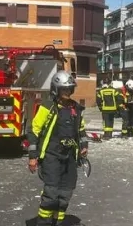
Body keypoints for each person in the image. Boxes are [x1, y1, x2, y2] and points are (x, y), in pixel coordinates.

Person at [27, 71, 89, 226]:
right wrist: (33, 157)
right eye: (63, 89)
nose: (67, 92)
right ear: (56, 89)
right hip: (51, 155)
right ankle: (44, 223)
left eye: (69, 89)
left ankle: (57, 222)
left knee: (66, 192)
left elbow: (81, 130)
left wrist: (83, 146)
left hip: (69, 157)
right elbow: (34, 131)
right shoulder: (48, 107)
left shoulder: (76, 109)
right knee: (52, 193)